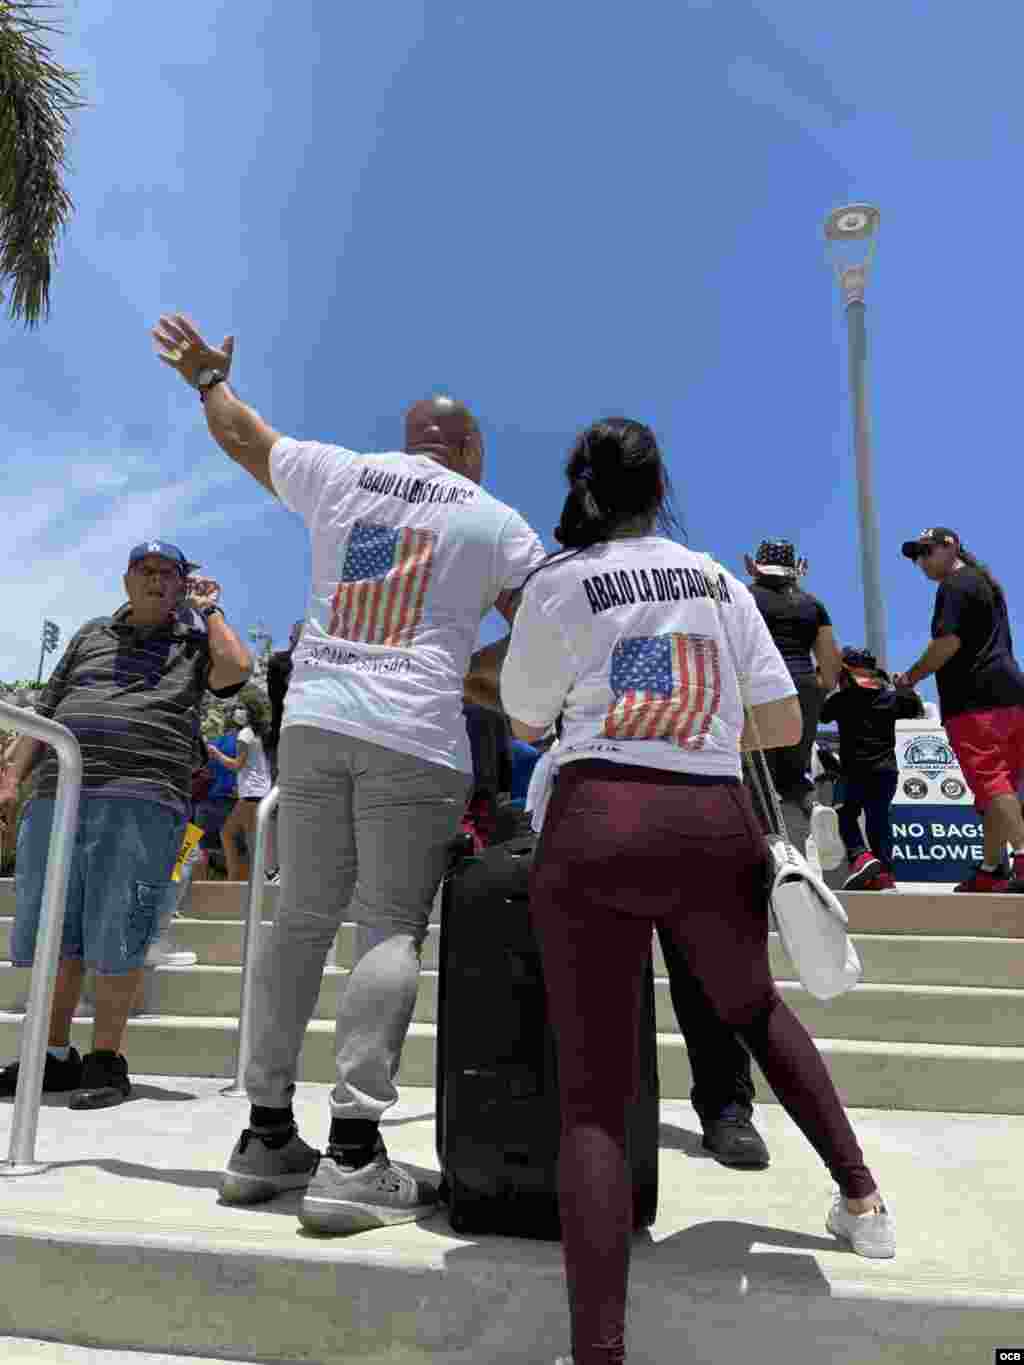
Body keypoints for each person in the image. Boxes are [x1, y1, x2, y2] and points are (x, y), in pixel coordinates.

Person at [499, 418, 895, 1365]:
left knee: (594, 1097)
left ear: (585, 492)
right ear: (657, 486)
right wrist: (698, 728)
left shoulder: (561, 581)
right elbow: (783, 718)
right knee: (755, 1008)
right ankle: (863, 1200)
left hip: (597, 815)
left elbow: (522, 716)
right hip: (712, 819)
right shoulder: (720, 579)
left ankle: (599, 1351)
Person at [152, 313, 547, 1232]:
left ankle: (262, 1137)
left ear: (412, 440)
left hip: (319, 720)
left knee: (297, 922)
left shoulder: (340, 472)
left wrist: (209, 380)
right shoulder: (495, 521)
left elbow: (242, 436)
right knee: (391, 927)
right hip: (415, 733)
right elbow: (547, 631)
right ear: (472, 450)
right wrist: (472, 674)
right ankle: (356, 1154)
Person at [0, 543, 251, 1108]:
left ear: (184, 584)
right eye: (147, 571)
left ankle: (107, 1060)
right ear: (126, 580)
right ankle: (53, 1057)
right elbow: (47, 709)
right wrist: (11, 777)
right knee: (53, 932)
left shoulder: (194, 640)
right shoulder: (89, 634)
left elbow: (236, 669)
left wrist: (208, 611)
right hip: (58, 794)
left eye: (170, 574)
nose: (157, 581)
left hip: (143, 797)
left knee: (121, 928)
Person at [895, 527, 1024, 893]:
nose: (921, 561)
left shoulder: (954, 586)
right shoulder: (985, 582)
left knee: (991, 784)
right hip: (1012, 695)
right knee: (1002, 790)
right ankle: (990, 869)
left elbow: (947, 643)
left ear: (949, 546)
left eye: (926, 552)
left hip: (974, 700)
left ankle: (1021, 862)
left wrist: (912, 676)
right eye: (916, 556)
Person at [744, 539, 842, 851]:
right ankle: (816, 809)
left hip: (760, 686)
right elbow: (829, 663)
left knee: (758, 774)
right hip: (804, 685)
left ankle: (773, 845)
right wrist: (819, 691)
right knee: (795, 771)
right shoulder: (812, 605)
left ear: (756, 567)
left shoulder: (745, 598)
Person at [820, 647, 924, 891]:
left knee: (844, 815)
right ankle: (885, 875)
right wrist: (903, 688)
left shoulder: (841, 699)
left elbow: (822, 715)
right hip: (886, 772)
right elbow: (915, 710)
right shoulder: (891, 698)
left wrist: (831, 682)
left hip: (853, 771)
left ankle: (861, 856)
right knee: (878, 823)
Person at [208, 699, 273, 882]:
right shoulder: (258, 733)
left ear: (250, 711)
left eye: (241, 707)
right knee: (238, 835)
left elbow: (237, 765)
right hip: (257, 792)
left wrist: (216, 754)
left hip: (252, 794)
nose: (237, 711)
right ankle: (240, 877)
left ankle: (253, 879)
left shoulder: (244, 733)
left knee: (234, 835)